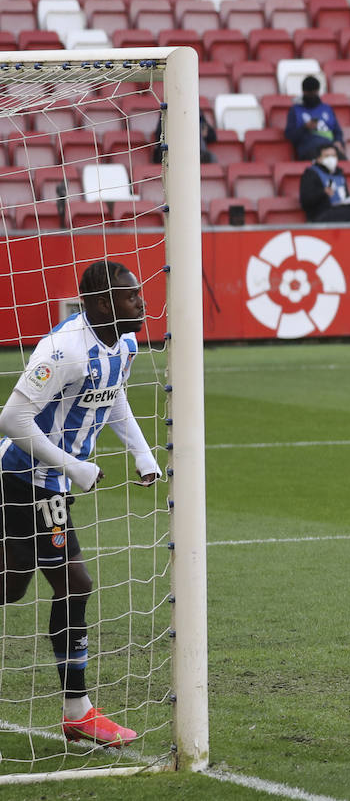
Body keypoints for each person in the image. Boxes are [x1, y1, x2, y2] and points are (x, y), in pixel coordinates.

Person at [0, 261, 162, 746]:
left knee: (10, 585)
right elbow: (12, 419)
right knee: (75, 582)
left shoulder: (126, 343)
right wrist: (73, 467)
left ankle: (78, 713)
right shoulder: (63, 350)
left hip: (53, 482)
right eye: (132, 296)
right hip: (17, 476)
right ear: (101, 303)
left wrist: (142, 452)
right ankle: (78, 712)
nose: (143, 302)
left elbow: (110, 397)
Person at [284, 75, 346, 161]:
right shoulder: (295, 110)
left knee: (344, 163)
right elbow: (289, 135)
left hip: (330, 147)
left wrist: (338, 141)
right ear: (304, 92)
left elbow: (337, 131)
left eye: (314, 92)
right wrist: (305, 128)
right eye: (309, 93)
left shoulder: (327, 109)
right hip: (309, 149)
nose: (312, 96)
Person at [151, 109, 217, 164]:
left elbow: (213, 136)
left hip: (195, 152)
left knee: (211, 158)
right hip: (172, 152)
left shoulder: (196, 110)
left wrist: (205, 133)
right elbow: (160, 135)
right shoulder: (168, 111)